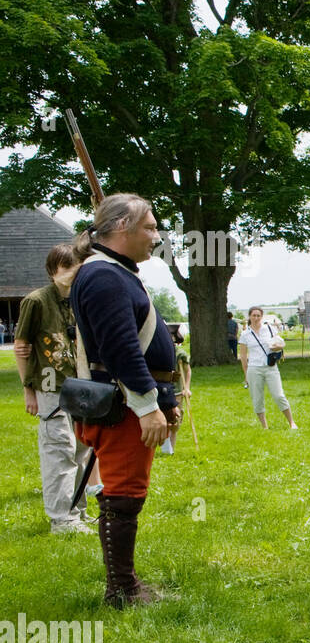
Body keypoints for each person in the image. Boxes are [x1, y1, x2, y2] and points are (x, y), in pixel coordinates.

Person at [68, 193, 180, 609]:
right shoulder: (103, 277)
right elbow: (120, 350)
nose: (155, 235)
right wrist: (147, 405)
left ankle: (125, 583)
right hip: (124, 405)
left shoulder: (116, 273)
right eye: (149, 227)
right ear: (121, 228)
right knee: (123, 495)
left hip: (133, 400)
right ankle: (122, 591)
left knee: (124, 493)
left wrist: (166, 398)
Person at [14, 243, 93, 534]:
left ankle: (77, 513)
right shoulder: (35, 301)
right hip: (49, 387)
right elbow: (21, 348)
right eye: (65, 267)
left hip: (79, 386)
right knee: (59, 449)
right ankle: (61, 519)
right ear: (52, 271)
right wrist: (28, 390)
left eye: (75, 266)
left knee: (81, 450)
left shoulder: (78, 301)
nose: (71, 273)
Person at [239, 306, 297, 429]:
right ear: (249, 317)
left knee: (279, 395)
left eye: (258, 315)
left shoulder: (269, 329)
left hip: (270, 367)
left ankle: (291, 422)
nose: (255, 318)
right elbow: (243, 356)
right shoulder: (245, 334)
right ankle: (264, 426)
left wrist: (276, 347)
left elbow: (281, 344)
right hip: (254, 368)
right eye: (253, 315)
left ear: (262, 316)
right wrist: (246, 374)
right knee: (257, 399)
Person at [160, 324, 194, 452]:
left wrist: (187, 387)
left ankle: (171, 448)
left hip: (178, 391)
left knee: (176, 418)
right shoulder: (161, 351)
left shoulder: (180, 354)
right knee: (163, 418)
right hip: (163, 389)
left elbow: (187, 371)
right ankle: (165, 446)